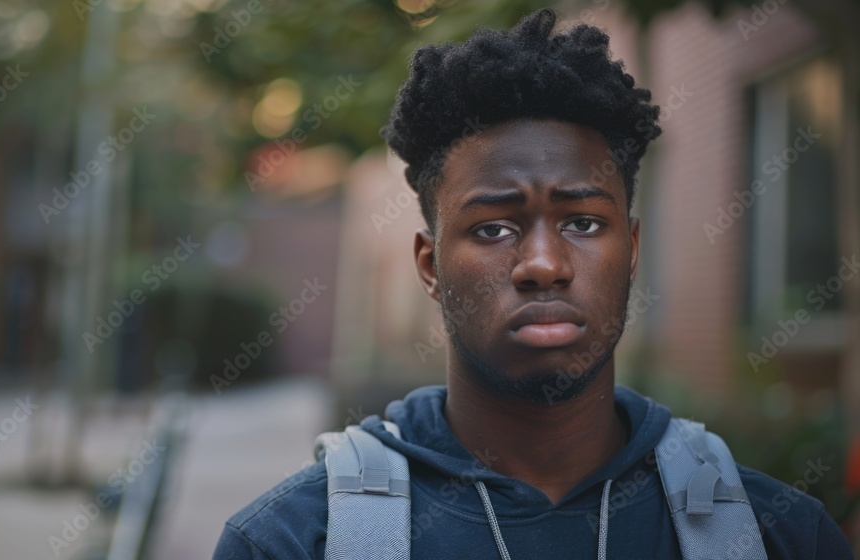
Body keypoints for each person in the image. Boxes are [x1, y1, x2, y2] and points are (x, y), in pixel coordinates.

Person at [213, 8, 853, 559]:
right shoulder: (293, 541)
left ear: (630, 251)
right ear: (431, 267)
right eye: (494, 228)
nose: (543, 264)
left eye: (582, 221)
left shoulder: (778, 536)